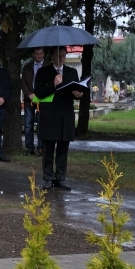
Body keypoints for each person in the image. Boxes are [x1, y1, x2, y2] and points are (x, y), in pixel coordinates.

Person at [33, 46, 84, 190]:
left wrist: (78, 94)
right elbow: (39, 92)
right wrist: (53, 84)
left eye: (63, 56)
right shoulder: (43, 72)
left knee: (63, 149)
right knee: (48, 149)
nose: (61, 59)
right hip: (50, 115)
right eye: (58, 56)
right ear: (52, 56)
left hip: (65, 115)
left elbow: (77, 91)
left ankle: (60, 177)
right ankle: (48, 178)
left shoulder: (72, 72)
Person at [20, 47, 46, 156]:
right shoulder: (27, 67)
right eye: (37, 53)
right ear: (33, 54)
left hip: (42, 100)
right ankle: (29, 148)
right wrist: (29, 94)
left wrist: (41, 95)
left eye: (41, 53)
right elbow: (23, 83)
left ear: (44, 54)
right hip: (29, 99)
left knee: (41, 124)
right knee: (28, 124)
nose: (39, 56)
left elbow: (49, 83)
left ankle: (41, 147)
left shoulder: (48, 66)